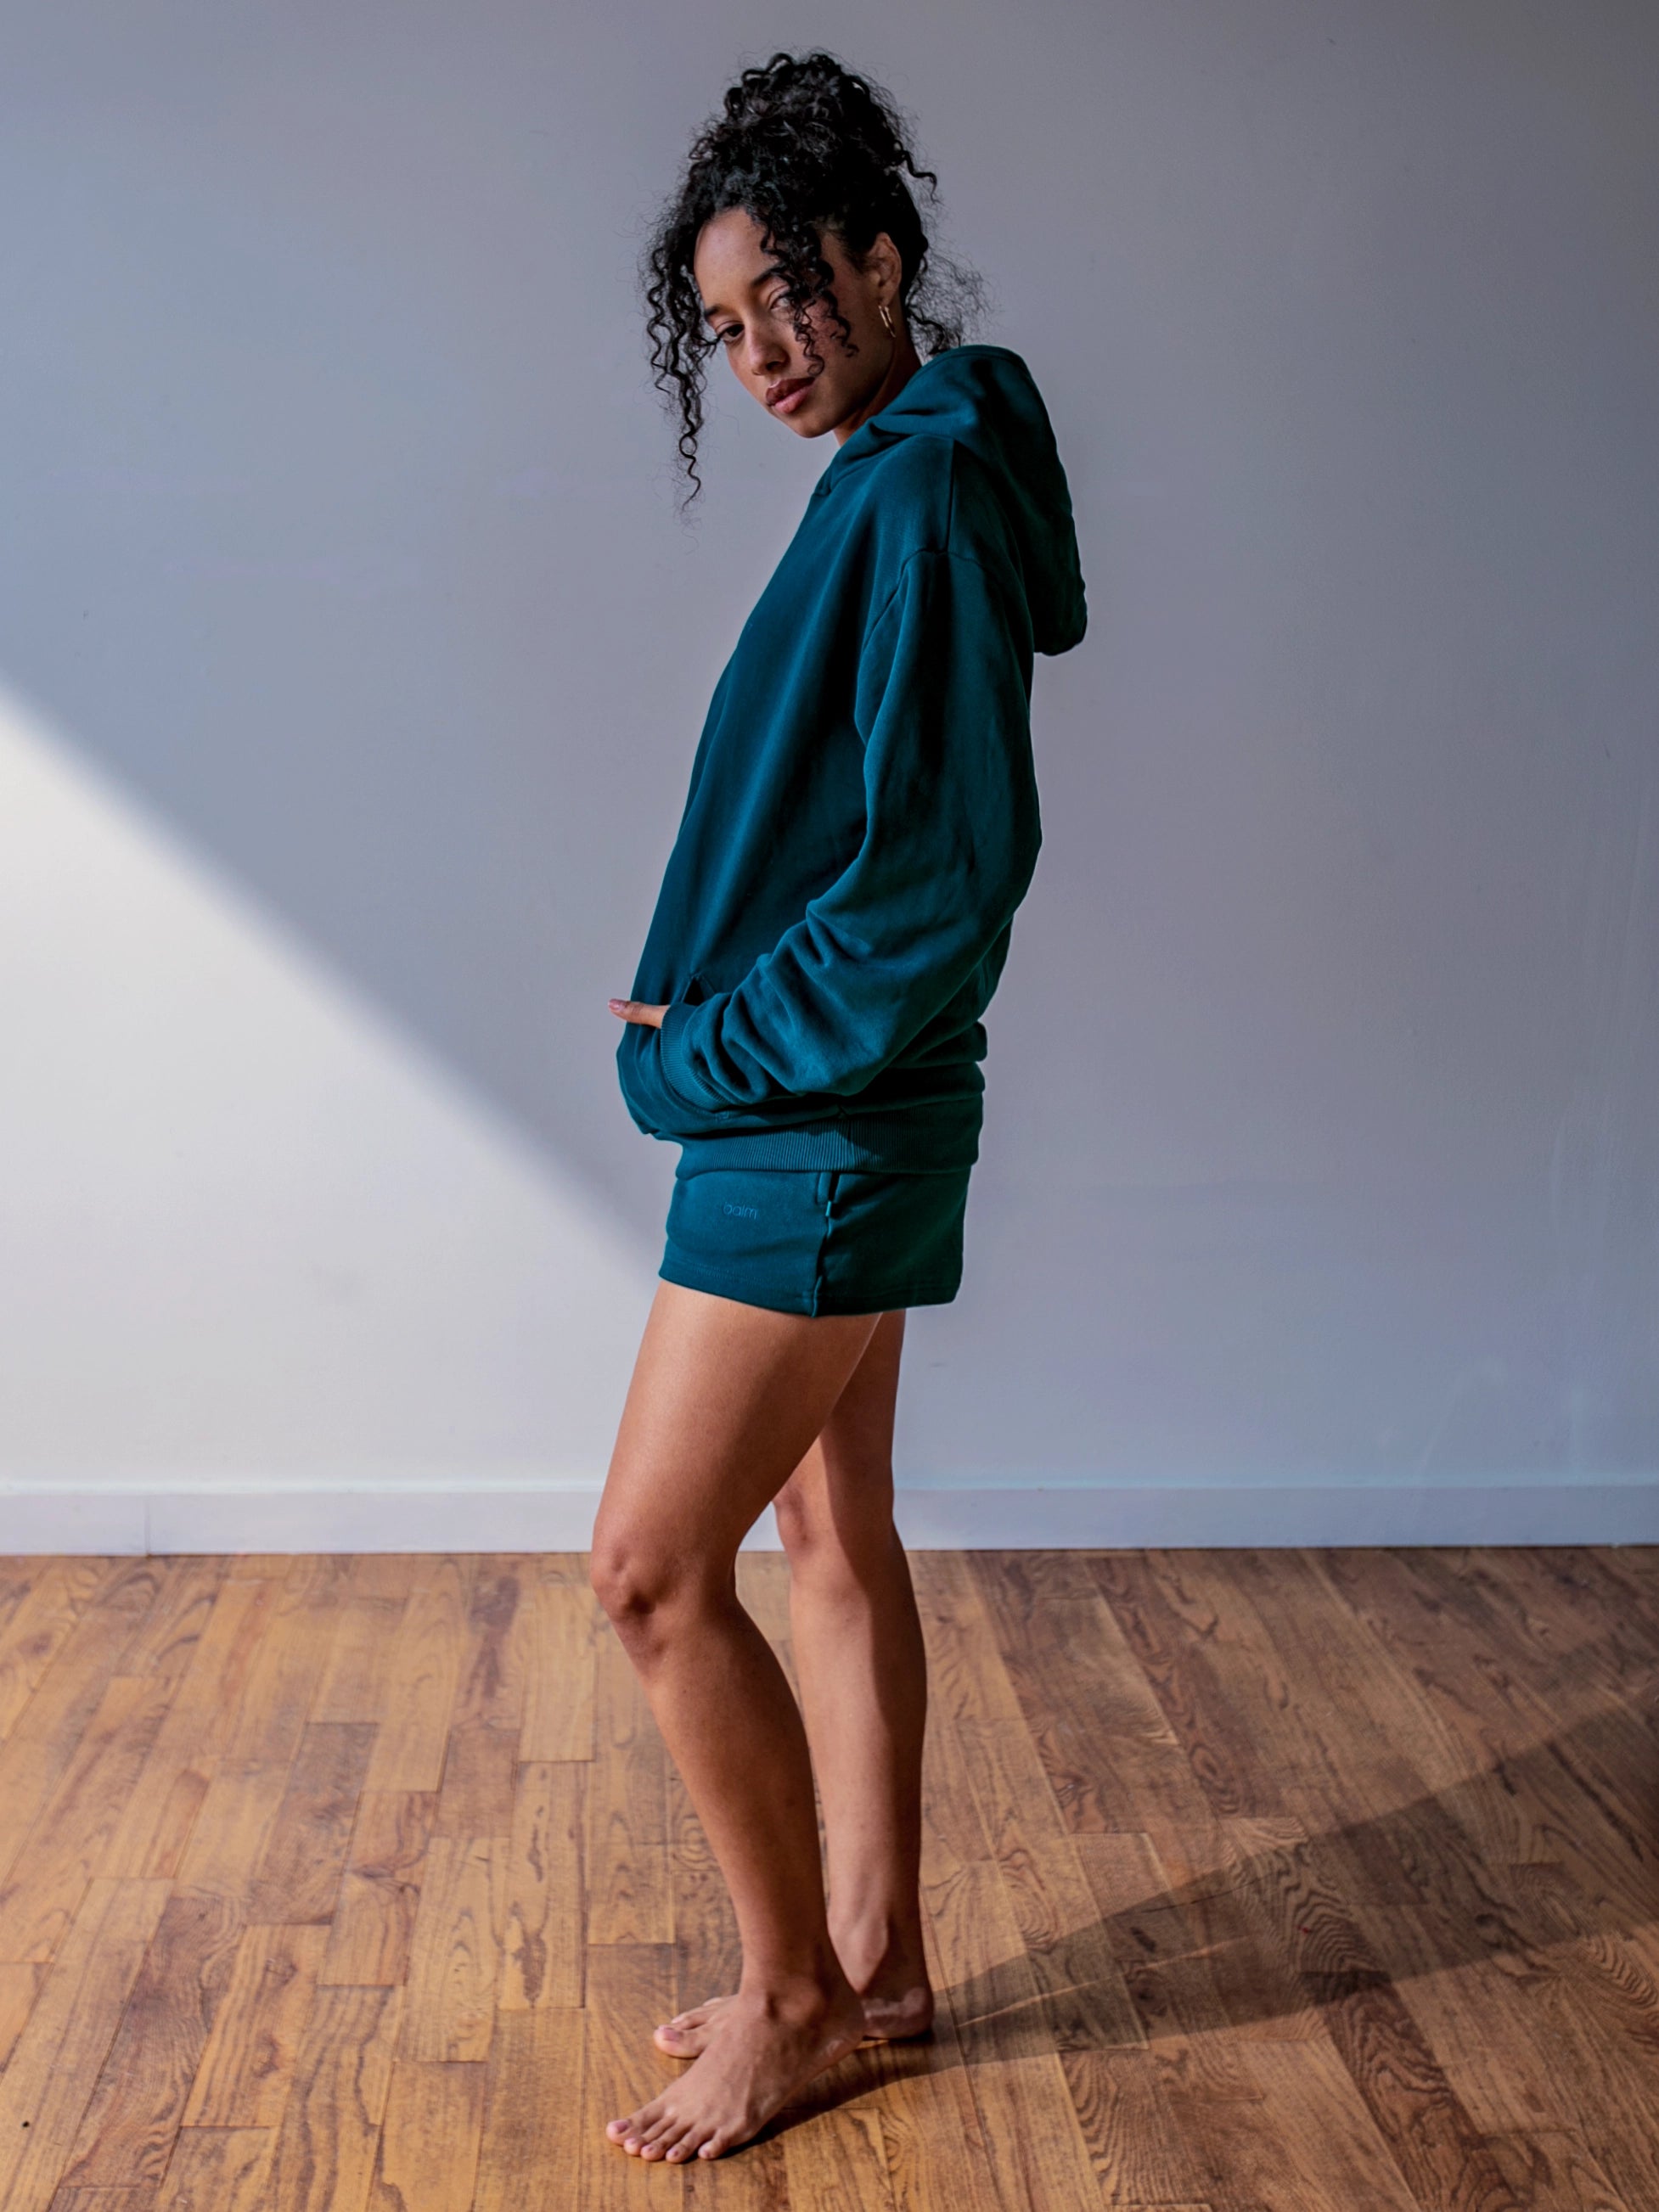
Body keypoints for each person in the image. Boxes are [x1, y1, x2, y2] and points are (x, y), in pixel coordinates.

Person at [593, 48, 1087, 2164]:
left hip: (816, 1119)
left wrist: (683, 1051)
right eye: (722, 326)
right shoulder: (911, 464)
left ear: (883, 261)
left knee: (642, 1572)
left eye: (790, 293)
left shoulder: (915, 487)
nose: (763, 350)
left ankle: (793, 2001)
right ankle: (870, 1962)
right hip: (833, 1099)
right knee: (827, 1528)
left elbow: (931, 881)